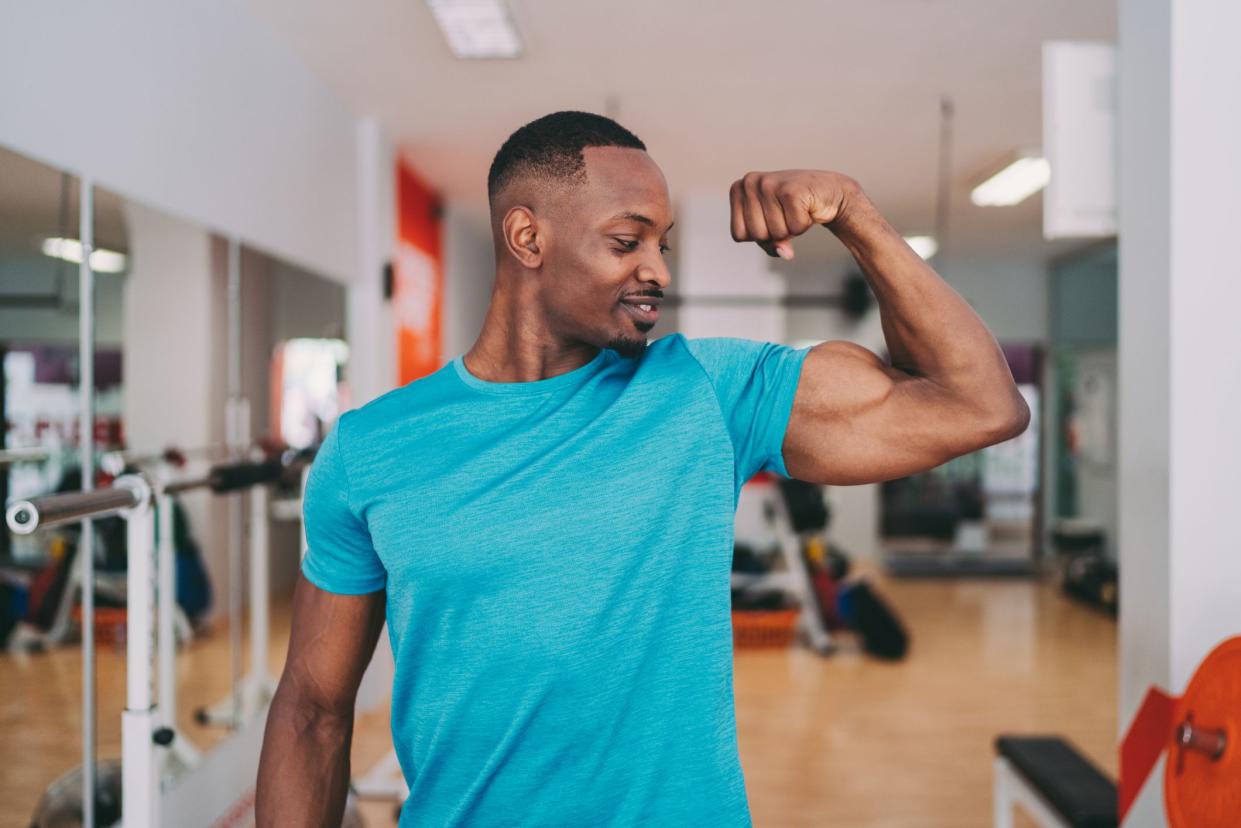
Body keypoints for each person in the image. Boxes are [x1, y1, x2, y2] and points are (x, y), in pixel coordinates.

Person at [256, 111, 1029, 826]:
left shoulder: (705, 391)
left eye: (663, 244)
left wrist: (854, 214)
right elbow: (312, 712)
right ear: (527, 237)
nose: (656, 270)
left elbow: (976, 405)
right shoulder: (371, 449)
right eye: (627, 242)